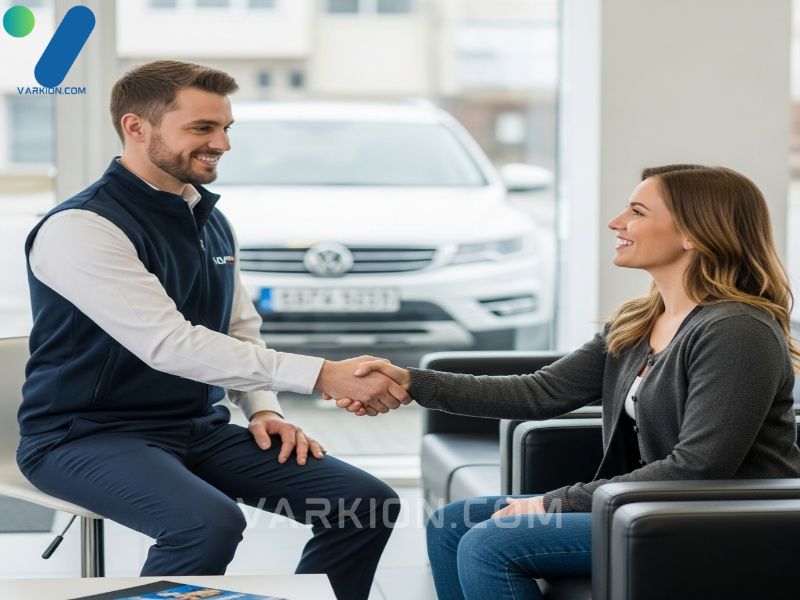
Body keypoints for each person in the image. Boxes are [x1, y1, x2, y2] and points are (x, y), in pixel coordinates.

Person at [16, 60, 410, 600]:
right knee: (206, 524)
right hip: (84, 436)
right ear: (136, 127)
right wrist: (323, 374)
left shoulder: (208, 219)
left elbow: (238, 327)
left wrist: (264, 409)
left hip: (194, 428)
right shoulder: (81, 227)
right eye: (202, 128)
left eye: (225, 128)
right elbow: (169, 344)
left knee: (365, 504)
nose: (222, 143)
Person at [334, 164, 800, 599]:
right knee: (451, 524)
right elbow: (539, 392)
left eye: (637, 212)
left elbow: (699, 467)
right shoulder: (640, 321)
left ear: (693, 234)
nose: (616, 222)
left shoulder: (737, 330)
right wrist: (411, 382)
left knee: (490, 543)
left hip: (725, 518)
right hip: (650, 506)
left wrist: (552, 503)